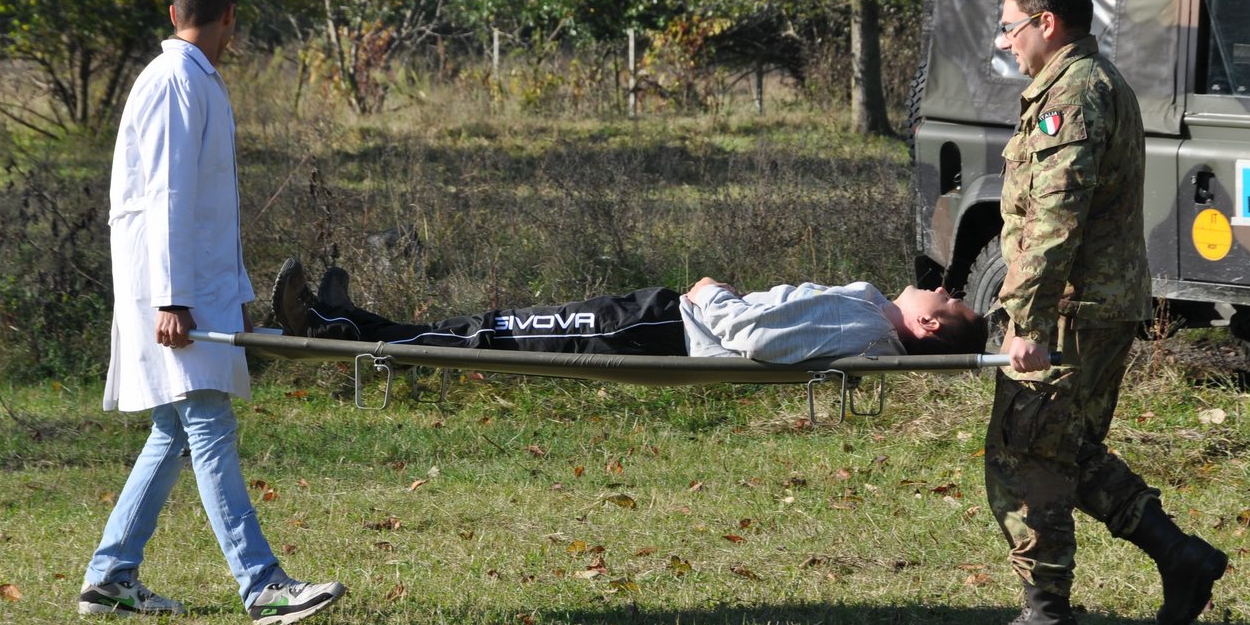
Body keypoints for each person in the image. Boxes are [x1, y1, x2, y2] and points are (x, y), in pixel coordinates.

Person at [960, 0, 1227, 625]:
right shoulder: (1091, 83)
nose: (1004, 41)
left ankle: (1045, 612)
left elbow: (1055, 217)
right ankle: (1181, 556)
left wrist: (1023, 321)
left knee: (1024, 455)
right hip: (1096, 305)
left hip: (1072, 310)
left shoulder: (1073, 95)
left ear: (1047, 23)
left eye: (1011, 27)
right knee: (1069, 448)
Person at [79, 0, 346, 625]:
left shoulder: (192, 79)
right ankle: (262, 586)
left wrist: (237, 292)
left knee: (173, 431)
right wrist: (171, 299)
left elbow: (203, 206)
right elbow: (167, 195)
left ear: (176, 12)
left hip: (195, 292)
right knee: (206, 425)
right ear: (230, 17)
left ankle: (110, 575)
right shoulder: (177, 80)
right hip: (176, 298)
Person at [271, 261, 987, 361]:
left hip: (665, 325)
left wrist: (711, 292)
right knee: (500, 326)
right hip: (661, 319)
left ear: (927, 324)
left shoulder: (864, 323)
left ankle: (345, 329)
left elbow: (752, 333)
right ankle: (355, 323)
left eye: (945, 296)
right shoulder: (867, 312)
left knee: (499, 333)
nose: (937, 285)